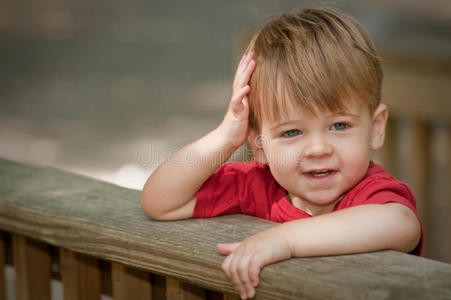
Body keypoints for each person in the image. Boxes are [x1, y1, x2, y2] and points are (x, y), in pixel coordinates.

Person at [141, 7, 423, 299]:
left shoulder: (371, 195)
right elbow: (160, 202)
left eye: (339, 125)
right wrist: (226, 136)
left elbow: (402, 225)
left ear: (376, 128)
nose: (318, 149)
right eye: (292, 132)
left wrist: (285, 240)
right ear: (260, 145)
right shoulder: (258, 186)